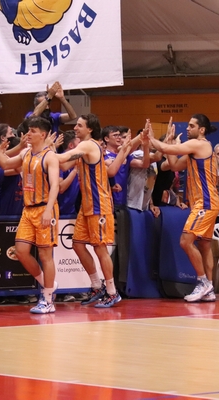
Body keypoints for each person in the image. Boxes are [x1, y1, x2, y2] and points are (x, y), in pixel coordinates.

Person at [55, 114, 131, 308]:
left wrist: (44, 151)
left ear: (89, 129)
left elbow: (62, 158)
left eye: (79, 125)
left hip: (99, 205)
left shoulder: (88, 145)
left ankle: (112, 292)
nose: (76, 128)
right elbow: (64, 164)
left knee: (100, 248)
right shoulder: (85, 148)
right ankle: (97, 286)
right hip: (86, 206)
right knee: (78, 245)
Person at [0, 117, 60, 314]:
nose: (28, 134)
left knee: (45, 255)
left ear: (42, 135)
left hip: (45, 208)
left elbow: (55, 185)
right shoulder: (26, 152)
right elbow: (4, 163)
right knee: (20, 251)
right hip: (28, 210)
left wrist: (48, 210)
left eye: (33, 131)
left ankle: (47, 299)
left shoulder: (50, 157)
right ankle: (48, 285)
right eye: (28, 130)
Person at [149, 114, 219, 302]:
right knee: (204, 245)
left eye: (191, 126)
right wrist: (170, 143)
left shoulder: (200, 144)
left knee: (185, 241)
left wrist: (151, 138)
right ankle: (209, 288)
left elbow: (165, 149)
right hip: (205, 203)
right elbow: (172, 165)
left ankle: (203, 282)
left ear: (201, 130)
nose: (187, 128)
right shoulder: (193, 152)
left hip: (205, 202)